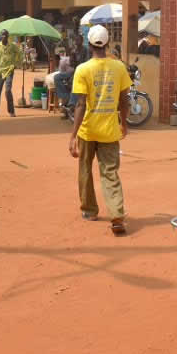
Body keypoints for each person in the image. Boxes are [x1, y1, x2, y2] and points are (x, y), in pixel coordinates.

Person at [68, 25, 132, 236]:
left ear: (89, 44)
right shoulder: (119, 67)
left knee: (85, 170)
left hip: (88, 129)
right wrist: (124, 123)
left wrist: (73, 135)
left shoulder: (83, 70)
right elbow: (124, 100)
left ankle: (89, 210)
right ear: (107, 44)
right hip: (109, 130)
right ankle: (116, 214)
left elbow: (80, 104)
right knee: (110, 172)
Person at [0, 29, 22, 117]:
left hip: (9, 70)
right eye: (2, 35)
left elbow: (20, 53)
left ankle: (11, 111)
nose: (4, 37)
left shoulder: (12, 46)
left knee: (8, 90)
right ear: (0, 36)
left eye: (5, 35)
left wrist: (17, 63)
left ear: (8, 36)